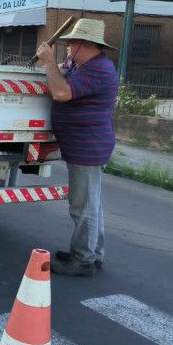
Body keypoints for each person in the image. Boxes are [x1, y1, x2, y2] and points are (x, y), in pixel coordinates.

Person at [36, 18, 119, 277]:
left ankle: (82, 259)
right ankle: (94, 254)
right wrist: (52, 65)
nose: (68, 48)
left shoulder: (98, 70)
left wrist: (49, 62)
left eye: (71, 43)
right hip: (86, 146)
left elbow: (61, 93)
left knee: (82, 205)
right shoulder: (82, 65)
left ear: (85, 44)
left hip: (88, 147)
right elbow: (61, 73)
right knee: (91, 204)